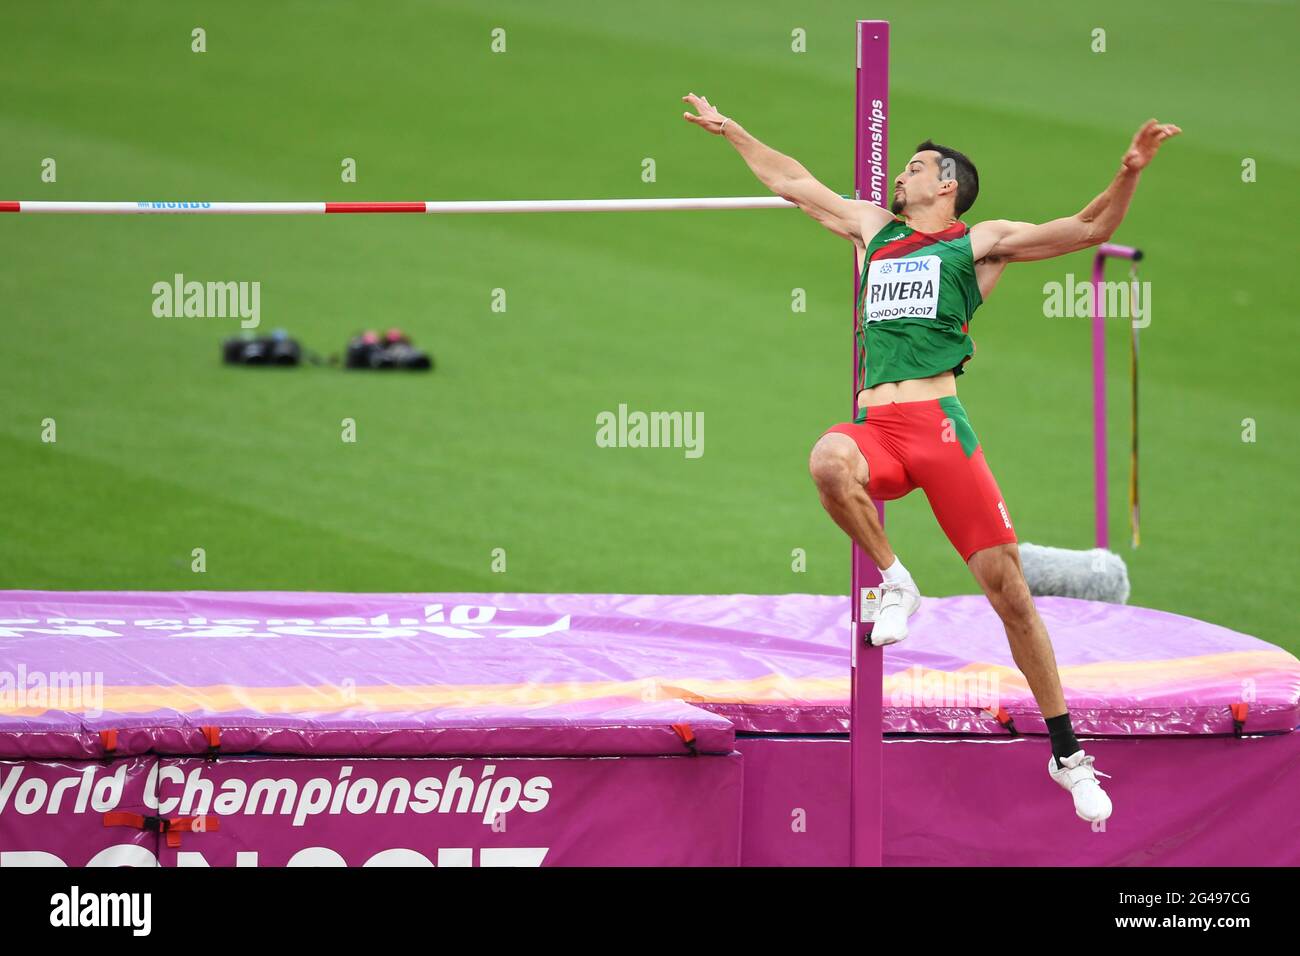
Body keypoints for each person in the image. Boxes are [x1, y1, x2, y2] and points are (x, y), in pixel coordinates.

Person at [683, 92, 1180, 823]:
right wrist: (734, 131)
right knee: (827, 460)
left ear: (946, 185)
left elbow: (1088, 227)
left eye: (914, 168)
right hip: (876, 428)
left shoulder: (979, 243)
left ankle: (1067, 753)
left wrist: (1130, 171)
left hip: (939, 429)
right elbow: (792, 181)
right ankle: (896, 579)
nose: (900, 176)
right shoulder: (872, 230)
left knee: (1008, 592)